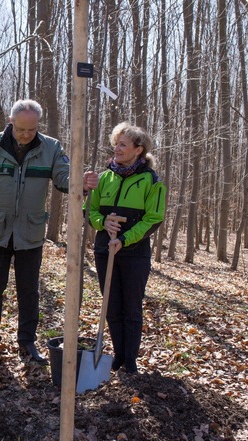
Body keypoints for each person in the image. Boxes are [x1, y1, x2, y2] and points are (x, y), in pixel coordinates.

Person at [0, 99, 98, 364]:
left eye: (31, 130)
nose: (26, 135)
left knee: (29, 290)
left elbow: (64, 179)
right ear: (11, 122)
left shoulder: (51, 148)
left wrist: (81, 182)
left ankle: (27, 342)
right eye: (21, 130)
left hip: (31, 231)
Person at [87, 122, 166, 375]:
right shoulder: (104, 177)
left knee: (131, 306)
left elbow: (154, 218)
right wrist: (103, 222)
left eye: (123, 144)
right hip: (104, 249)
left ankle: (130, 360)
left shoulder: (151, 181)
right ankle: (118, 355)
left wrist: (125, 239)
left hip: (134, 253)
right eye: (115, 144)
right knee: (111, 305)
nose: (116, 148)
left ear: (138, 150)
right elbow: (90, 210)